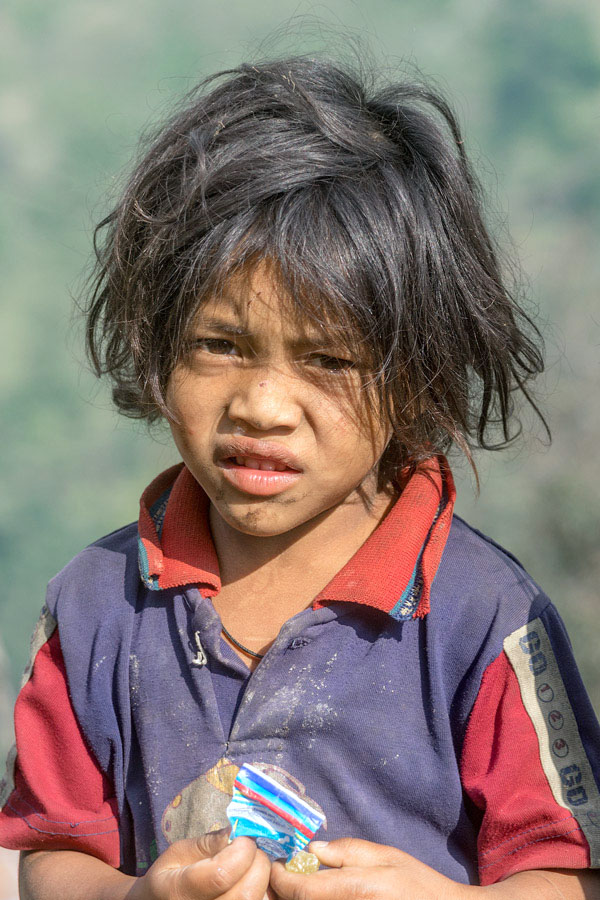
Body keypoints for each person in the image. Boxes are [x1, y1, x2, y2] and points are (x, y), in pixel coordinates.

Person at [1, 55, 599, 900]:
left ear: (418, 378)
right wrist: (137, 894)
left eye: (329, 360)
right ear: (155, 342)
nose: (263, 406)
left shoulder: (485, 615)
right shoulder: (97, 604)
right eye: (221, 345)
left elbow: (567, 873)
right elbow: (55, 852)